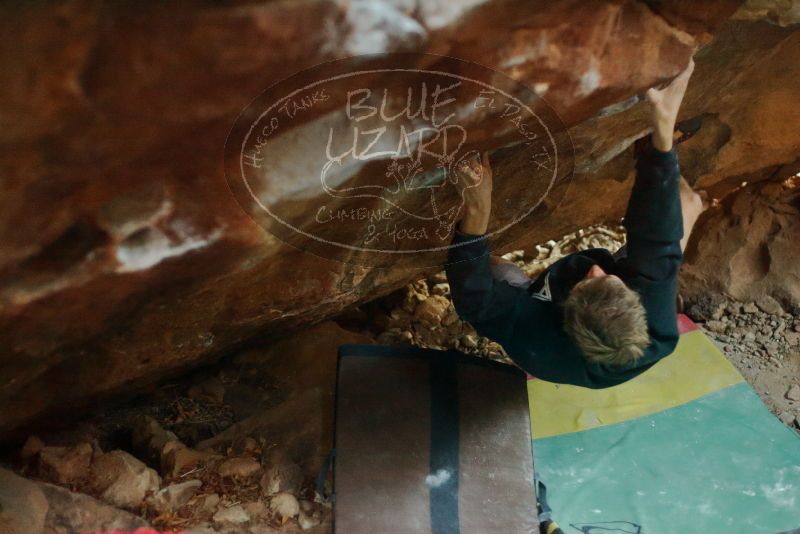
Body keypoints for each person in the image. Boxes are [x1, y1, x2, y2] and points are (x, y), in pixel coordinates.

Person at [445, 59, 704, 388]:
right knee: (689, 205)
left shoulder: (537, 337)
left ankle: (483, 246)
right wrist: (662, 131)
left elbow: (474, 299)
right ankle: (644, 152)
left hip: (544, 313)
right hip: (613, 297)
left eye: (590, 281)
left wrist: (478, 205)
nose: (597, 268)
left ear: (566, 308)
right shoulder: (657, 326)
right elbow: (657, 236)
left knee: (491, 269)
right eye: (609, 280)